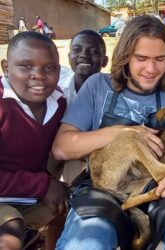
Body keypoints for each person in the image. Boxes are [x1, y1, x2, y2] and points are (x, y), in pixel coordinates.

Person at [52, 15, 165, 250]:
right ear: (125, 55)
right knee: (85, 244)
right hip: (106, 190)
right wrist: (123, 132)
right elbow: (62, 147)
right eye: (141, 58)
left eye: (160, 59)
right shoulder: (98, 86)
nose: (151, 69)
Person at [0, 32, 68, 250]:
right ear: (6, 68)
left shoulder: (59, 102)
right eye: (26, 66)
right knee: (10, 232)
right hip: (8, 198)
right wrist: (43, 185)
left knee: (68, 208)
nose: (38, 75)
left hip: (24, 194)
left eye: (49, 68)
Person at [58, 29, 108, 183]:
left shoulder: (112, 91)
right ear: (69, 57)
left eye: (93, 51)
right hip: (60, 149)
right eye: (77, 50)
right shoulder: (57, 88)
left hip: (96, 154)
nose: (84, 55)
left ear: (105, 61)